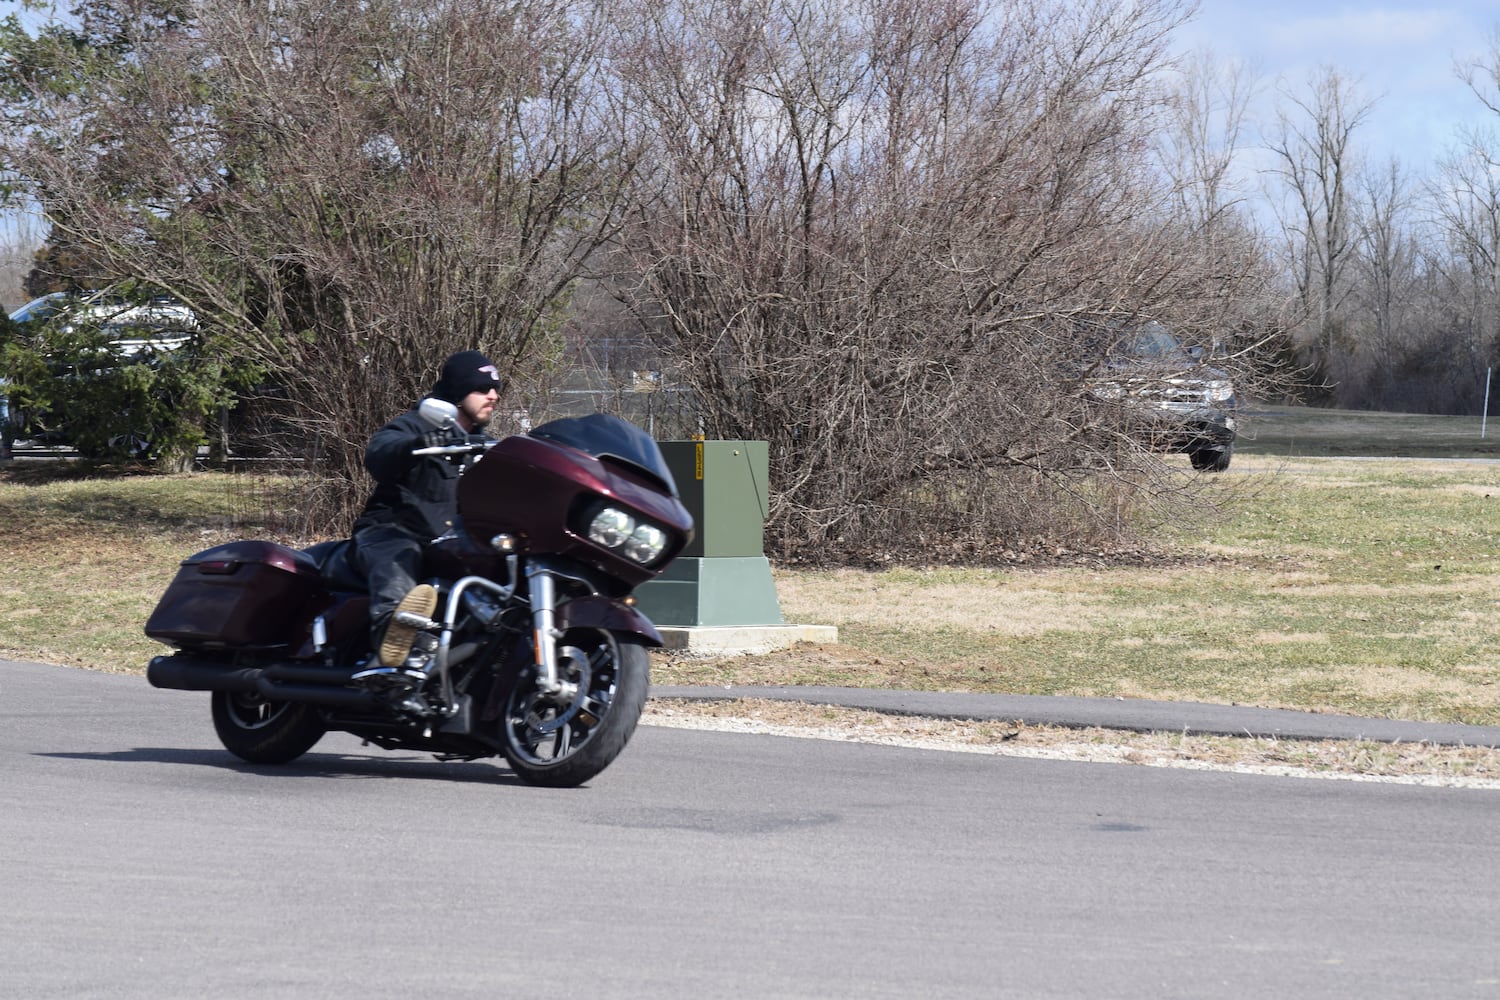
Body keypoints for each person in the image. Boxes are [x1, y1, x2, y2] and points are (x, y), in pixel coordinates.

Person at [350, 350, 501, 680]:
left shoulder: (482, 445)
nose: (493, 395)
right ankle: (393, 644)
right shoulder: (417, 424)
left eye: (495, 388)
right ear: (457, 391)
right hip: (393, 530)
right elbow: (379, 452)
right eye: (482, 388)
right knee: (398, 559)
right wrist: (413, 445)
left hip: (448, 544)